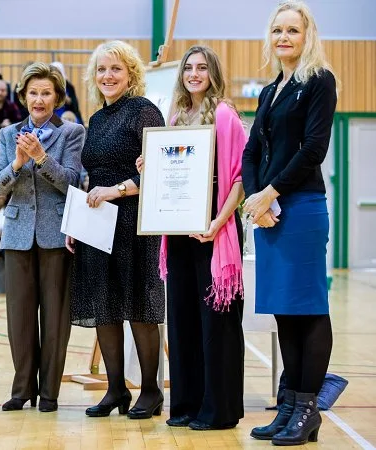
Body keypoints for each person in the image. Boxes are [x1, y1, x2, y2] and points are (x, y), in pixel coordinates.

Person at [242, 1, 338, 446]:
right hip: (271, 210)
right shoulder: (269, 91)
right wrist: (258, 197)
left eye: (292, 30)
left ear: (307, 36)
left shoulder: (319, 80)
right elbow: (251, 151)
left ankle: (307, 409)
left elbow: (313, 148)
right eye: (278, 30)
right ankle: (288, 409)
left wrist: (271, 192)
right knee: (286, 311)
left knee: (309, 309)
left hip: (301, 207)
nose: (284, 37)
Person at [136, 45, 247, 430]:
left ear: (213, 73)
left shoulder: (224, 115)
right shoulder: (177, 115)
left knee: (215, 323)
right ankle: (185, 405)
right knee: (182, 318)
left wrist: (218, 222)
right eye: (189, 68)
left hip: (213, 230)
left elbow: (239, 178)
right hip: (180, 230)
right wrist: (149, 163)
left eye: (202, 68)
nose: (194, 74)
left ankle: (218, 411)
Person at [67, 41, 165, 420]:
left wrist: (117, 190)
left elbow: (158, 169)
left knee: (139, 307)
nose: (108, 76)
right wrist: (77, 222)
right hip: (97, 223)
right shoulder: (97, 119)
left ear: (131, 74)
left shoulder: (143, 111)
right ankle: (115, 389)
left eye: (116, 69)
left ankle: (152, 391)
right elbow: (91, 175)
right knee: (104, 309)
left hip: (134, 221)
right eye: (102, 69)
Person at [0, 62, 84, 413]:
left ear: (57, 97)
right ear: (23, 97)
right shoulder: (7, 134)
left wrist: (42, 158)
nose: (39, 99)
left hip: (56, 235)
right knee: (19, 316)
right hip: (16, 234)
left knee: (55, 319)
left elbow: (74, 182)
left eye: (46, 92)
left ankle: (49, 393)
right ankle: (21, 390)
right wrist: (16, 163)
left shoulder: (72, 132)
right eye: (33, 92)